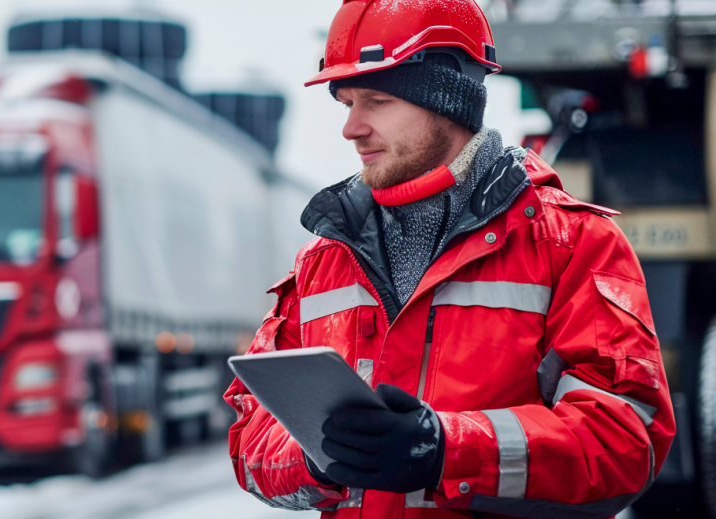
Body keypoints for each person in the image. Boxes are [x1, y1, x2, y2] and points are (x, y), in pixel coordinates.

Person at [225, 1, 675, 517]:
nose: (352, 128)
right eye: (347, 103)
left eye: (376, 100)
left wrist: (445, 449)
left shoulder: (572, 244)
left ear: (449, 103)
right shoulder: (323, 259)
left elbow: (625, 441)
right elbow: (249, 440)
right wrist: (323, 458)